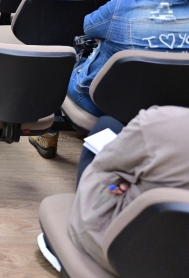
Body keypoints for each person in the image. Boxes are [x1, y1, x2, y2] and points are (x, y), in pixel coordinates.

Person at [30, 0, 189, 159]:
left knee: (62, 63)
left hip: (102, 103)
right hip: (174, 107)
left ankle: (48, 135)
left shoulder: (121, 8)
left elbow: (88, 27)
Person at [66, 106, 189, 274]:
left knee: (106, 124)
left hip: (123, 250)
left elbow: (104, 165)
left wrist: (127, 179)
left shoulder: (158, 121)